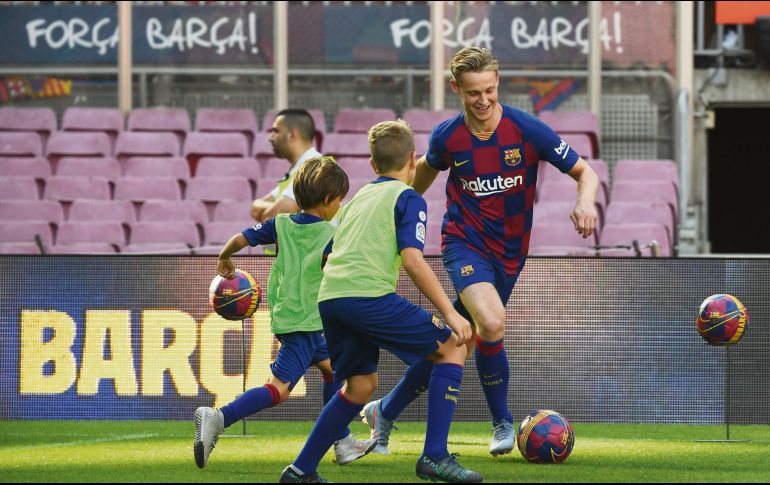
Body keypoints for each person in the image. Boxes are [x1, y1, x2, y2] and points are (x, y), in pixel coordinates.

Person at [361, 46, 600, 457]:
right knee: (491, 321)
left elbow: (585, 172)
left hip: (510, 253)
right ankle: (503, 421)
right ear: (457, 88)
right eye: (473, 93)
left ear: (498, 84)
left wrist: (585, 202)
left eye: (490, 90)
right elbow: (414, 186)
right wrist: (386, 225)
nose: (484, 100)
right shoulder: (447, 137)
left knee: (457, 341)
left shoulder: (527, 130)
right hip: (463, 243)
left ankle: (385, 410)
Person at [279, 120, 482, 484]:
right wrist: (450, 313)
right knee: (453, 348)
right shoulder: (409, 198)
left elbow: (330, 253)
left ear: (373, 166)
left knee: (359, 386)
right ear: (414, 160)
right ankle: (435, 457)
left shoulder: (358, 199)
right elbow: (413, 259)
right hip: (366, 295)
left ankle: (300, 470)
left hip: (332, 299)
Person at [194, 156, 376, 470]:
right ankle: (218, 418)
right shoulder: (329, 237)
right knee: (278, 390)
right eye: (340, 200)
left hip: (297, 320)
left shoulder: (280, 225)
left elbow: (241, 238)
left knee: (334, 371)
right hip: (305, 324)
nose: (340, 206)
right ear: (329, 201)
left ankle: (343, 441)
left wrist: (225, 258)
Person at [251, 109, 321, 223]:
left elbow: (272, 218)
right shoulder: (297, 169)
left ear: (292, 134)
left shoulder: (314, 167)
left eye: (276, 131)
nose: (270, 137)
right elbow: (254, 209)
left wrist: (271, 208)